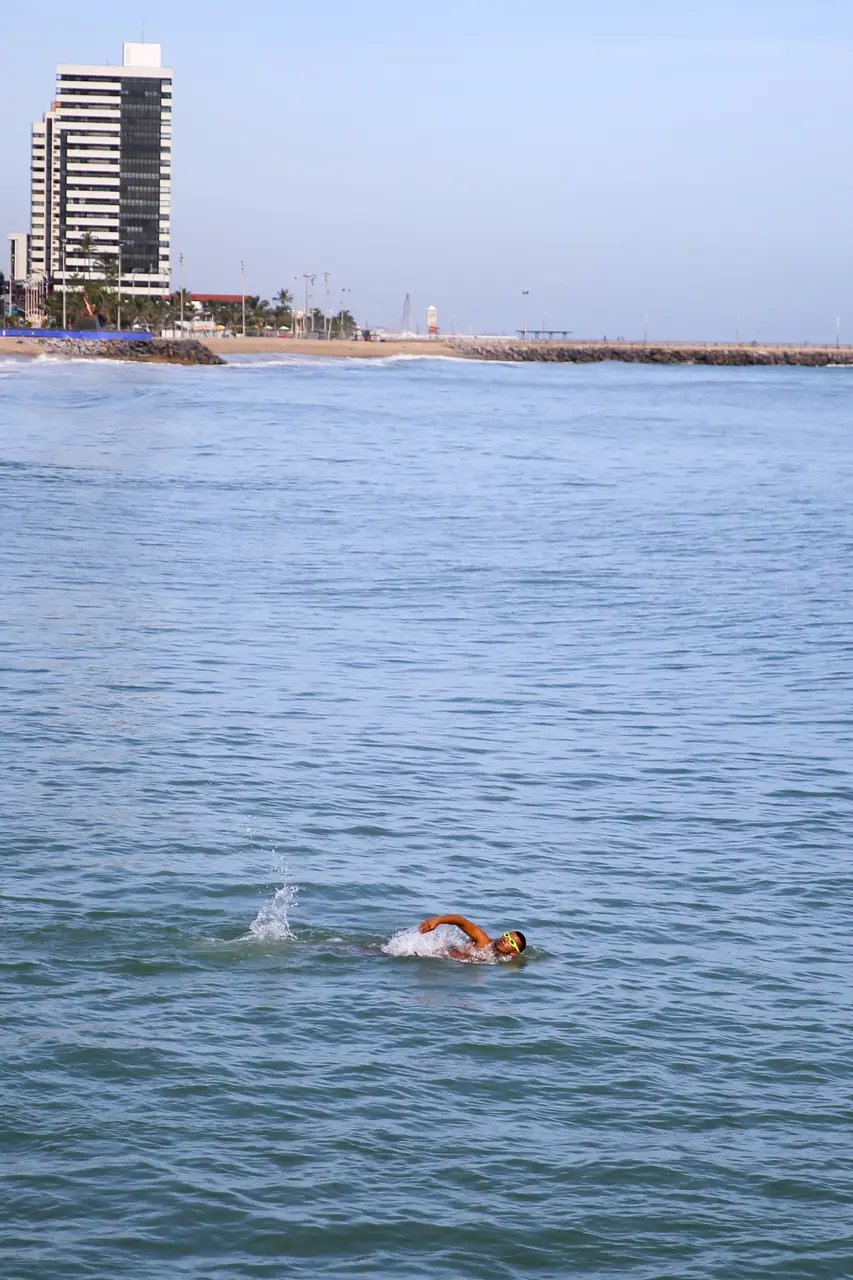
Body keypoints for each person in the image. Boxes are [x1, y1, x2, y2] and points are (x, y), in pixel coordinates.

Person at [418, 913, 527, 961]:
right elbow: (460, 920)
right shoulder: (483, 941)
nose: (505, 940)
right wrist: (438, 920)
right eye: (507, 935)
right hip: (433, 954)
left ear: (514, 953)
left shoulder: (505, 959)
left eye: (511, 942)